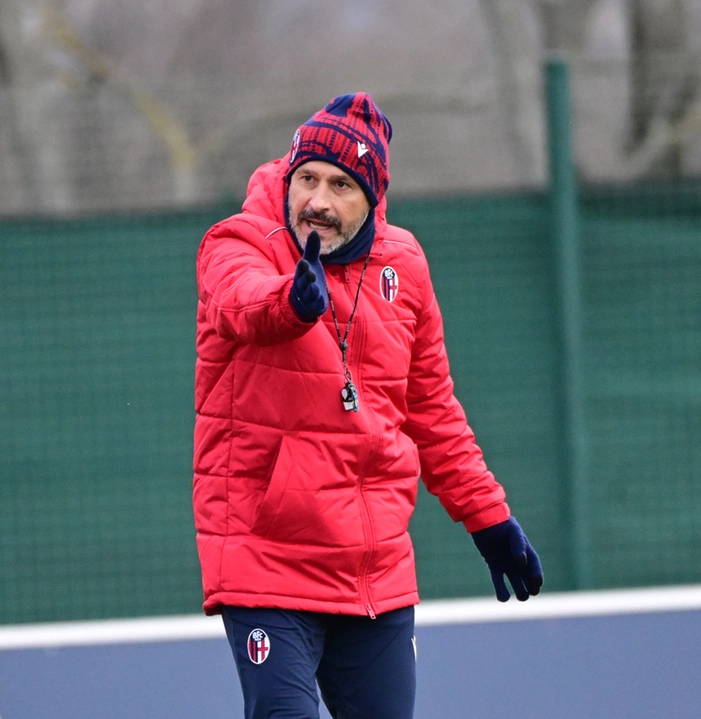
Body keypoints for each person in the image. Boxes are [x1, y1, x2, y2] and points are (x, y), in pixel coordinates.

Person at [192, 93, 543, 719]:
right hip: (265, 557)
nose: (317, 201)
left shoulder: (403, 264)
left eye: (340, 185)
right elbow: (239, 303)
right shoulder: (237, 241)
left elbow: (432, 412)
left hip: (373, 566)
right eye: (306, 179)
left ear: (373, 198)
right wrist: (291, 302)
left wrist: (489, 521)